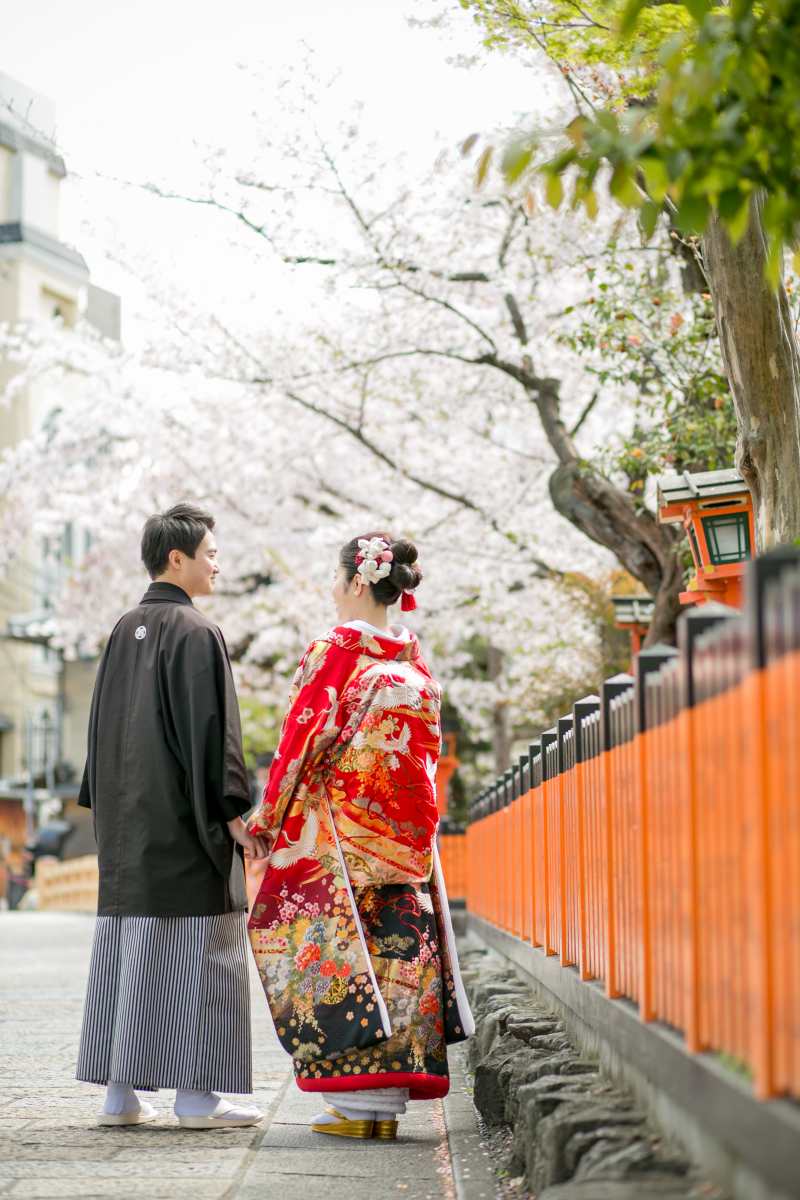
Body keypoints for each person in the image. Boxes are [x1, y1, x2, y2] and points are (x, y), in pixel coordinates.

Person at [247, 533, 474, 1140]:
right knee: (399, 954)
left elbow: (301, 739)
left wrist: (267, 819)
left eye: (334, 577)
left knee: (347, 953)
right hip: (405, 835)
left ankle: (355, 1107)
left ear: (355, 580)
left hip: (343, 835)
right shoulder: (413, 660)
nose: (331, 589)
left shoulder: (337, 649)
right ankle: (384, 1108)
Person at [76, 503, 269, 1128]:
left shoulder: (122, 628)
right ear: (177, 558)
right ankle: (196, 1097)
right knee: (204, 954)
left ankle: (120, 1095)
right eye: (210, 553)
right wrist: (233, 814)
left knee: (129, 955)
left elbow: (101, 730)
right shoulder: (196, 631)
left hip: (127, 825)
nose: (218, 564)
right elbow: (212, 735)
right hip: (185, 826)